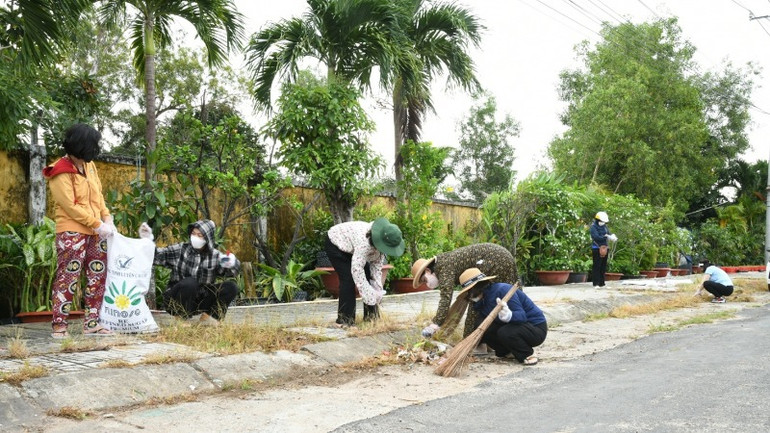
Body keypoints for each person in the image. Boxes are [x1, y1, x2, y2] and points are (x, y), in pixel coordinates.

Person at [43, 123, 116, 338]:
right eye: (93, 144)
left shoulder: (90, 166)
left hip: (96, 231)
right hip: (71, 231)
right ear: (82, 145)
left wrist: (107, 218)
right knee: (68, 276)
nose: (97, 148)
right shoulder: (60, 170)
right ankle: (59, 325)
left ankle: (92, 322)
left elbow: (99, 196)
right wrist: (97, 224)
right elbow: (70, 206)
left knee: (97, 275)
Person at [138, 219, 240, 325]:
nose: (195, 237)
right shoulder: (180, 249)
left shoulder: (215, 256)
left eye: (200, 235)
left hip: (200, 299)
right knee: (191, 282)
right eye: (193, 233)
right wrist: (147, 240)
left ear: (207, 238)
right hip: (177, 298)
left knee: (231, 287)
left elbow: (232, 273)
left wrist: (231, 263)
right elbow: (156, 256)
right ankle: (181, 320)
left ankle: (209, 319)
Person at [412, 243, 517, 338]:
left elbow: (446, 297)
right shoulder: (444, 262)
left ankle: (472, 341)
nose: (427, 284)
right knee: (511, 296)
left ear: (428, 271)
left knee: (476, 301)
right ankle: (500, 339)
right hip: (503, 255)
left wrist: (436, 323)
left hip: (494, 258)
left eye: (424, 280)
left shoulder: (443, 268)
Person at [324, 217, 405, 327]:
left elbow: (376, 269)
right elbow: (357, 269)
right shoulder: (364, 242)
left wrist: (377, 291)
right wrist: (368, 294)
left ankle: (371, 319)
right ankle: (345, 320)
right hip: (336, 243)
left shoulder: (382, 245)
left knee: (367, 275)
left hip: (352, 246)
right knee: (348, 279)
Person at [459, 267, 547, 365]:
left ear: (476, 287)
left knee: (505, 332)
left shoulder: (502, 290)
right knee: (481, 325)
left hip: (535, 328)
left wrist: (510, 315)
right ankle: (507, 352)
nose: (468, 295)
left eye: (469, 291)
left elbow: (522, 316)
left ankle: (527, 354)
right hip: (513, 327)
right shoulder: (482, 300)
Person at [590, 211, 617, 288]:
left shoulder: (605, 227)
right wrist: (605, 236)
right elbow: (596, 237)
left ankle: (602, 283)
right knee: (597, 266)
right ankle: (596, 283)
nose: (603, 223)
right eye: (602, 221)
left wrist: (612, 236)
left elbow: (608, 233)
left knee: (603, 266)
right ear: (598, 220)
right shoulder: (593, 227)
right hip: (596, 248)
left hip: (605, 248)